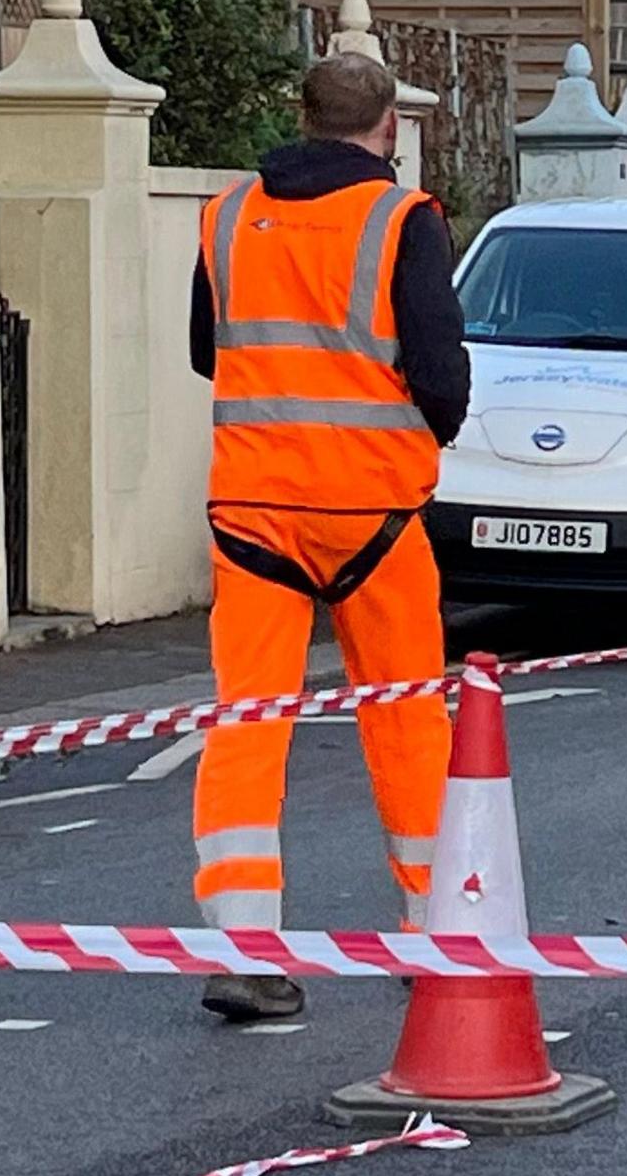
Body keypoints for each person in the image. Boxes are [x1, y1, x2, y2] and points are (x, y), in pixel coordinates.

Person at [183, 55, 468, 1025]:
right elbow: (442, 375)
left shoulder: (225, 215)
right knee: (406, 720)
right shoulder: (404, 220)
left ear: (302, 119)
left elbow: (203, 348)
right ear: (389, 126)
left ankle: (241, 948)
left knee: (247, 723)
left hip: (254, 513)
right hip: (374, 518)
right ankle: (433, 936)